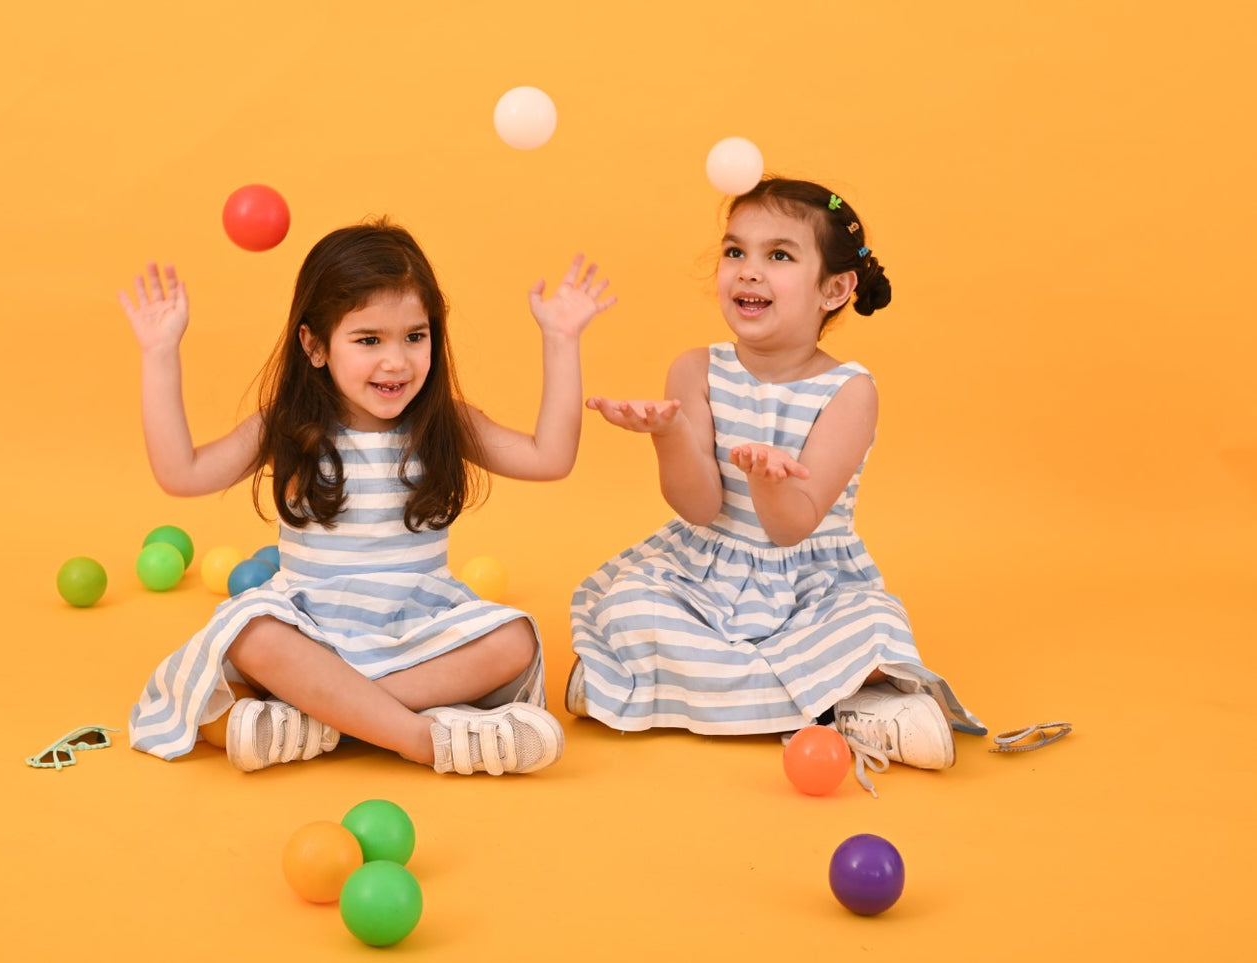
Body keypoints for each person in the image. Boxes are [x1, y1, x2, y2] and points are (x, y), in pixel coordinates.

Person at [121, 219, 614, 776]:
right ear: (313, 345)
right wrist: (159, 354)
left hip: (419, 633)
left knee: (515, 639)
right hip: (311, 636)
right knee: (253, 633)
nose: (396, 362)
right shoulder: (286, 424)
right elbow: (181, 474)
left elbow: (550, 459)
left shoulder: (446, 423)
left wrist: (561, 340)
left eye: (414, 336)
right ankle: (418, 737)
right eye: (368, 340)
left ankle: (324, 716)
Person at [568, 177, 983, 789]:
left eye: (779, 256)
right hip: (703, 575)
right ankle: (835, 703)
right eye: (735, 252)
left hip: (808, 584)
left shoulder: (849, 391)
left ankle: (647, 685)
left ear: (834, 289)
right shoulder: (696, 368)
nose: (748, 272)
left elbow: (793, 526)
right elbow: (701, 506)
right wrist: (667, 436)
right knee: (629, 607)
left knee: (873, 622)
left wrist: (767, 482)